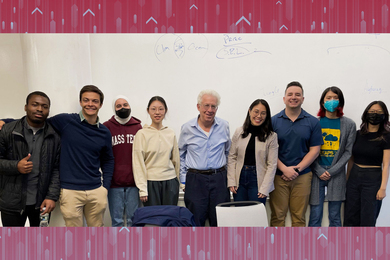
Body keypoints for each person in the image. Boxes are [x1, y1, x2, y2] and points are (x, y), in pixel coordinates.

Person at [0, 91, 60, 226]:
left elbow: (56, 169)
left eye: (45, 106)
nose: (40, 109)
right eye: (35, 104)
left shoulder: (54, 136)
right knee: (13, 243)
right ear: (26, 107)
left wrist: (51, 197)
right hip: (12, 202)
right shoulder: (8, 131)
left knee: (39, 244)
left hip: (41, 203)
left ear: (48, 111)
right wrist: (16, 166)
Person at [270, 81, 323, 227]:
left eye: (297, 94)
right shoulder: (273, 121)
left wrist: (296, 169)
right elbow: (269, 151)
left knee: (299, 217)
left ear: (303, 98)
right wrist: (284, 169)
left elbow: (315, 150)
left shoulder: (312, 122)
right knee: (277, 217)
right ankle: (274, 249)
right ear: (284, 98)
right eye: (290, 94)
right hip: (278, 176)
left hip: (303, 176)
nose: (294, 97)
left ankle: (297, 249)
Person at [178, 89, 231, 226]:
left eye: (213, 106)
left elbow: (228, 153)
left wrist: (229, 178)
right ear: (198, 107)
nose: (209, 110)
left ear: (217, 108)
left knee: (220, 221)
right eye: (206, 105)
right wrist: (184, 180)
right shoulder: (187, 128)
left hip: (219, 180)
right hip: (195, 181)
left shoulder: (224, 126)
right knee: (195, 222)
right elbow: (180, 155)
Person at [308, 87, 356, 227]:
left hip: (337, 173)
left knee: (335, 215)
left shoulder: (349, 124)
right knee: (315, 214)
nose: (332, 101)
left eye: (335, 97)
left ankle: (337, 247)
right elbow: (308, 150)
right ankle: (312, 247)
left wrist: (332, 170)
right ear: (322, 102)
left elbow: (348, 152)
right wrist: (319, 170)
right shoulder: (314, 123)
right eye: (328, 98)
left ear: (340, 101)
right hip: (317, 173)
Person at [344, 101, 390, 226]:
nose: (375, 114)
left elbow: (386, 165)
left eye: (379, 112)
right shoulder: (357, 134)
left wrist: (383, 188)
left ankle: (366, 245)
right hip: (354, 177)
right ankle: (348, 245)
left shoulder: (386, 136)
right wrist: (347, 182)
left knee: (368, 218)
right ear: (366, 114)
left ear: (385, 115)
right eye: (372, 111)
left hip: (373, 179)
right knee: (350, 216)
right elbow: (351, 160)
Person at [132, 96, 181, 206]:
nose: (157, 112)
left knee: (169, 218)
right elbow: (138, 163)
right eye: (153, 109)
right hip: (151, 183)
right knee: (154, 220)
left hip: (170, 182)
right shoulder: (141, 134)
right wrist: (142, 189)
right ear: (148, 111)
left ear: (165, 111)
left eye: (161, 109)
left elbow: (176, 161)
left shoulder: (170, 133)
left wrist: (180, 183)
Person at [227, 99, 278, 204]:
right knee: (240, 213)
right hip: (239, 179)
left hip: (258, 180)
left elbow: (272, 164)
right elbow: (232, 157)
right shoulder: (239, 132)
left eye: (263, 113)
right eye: (256, 111)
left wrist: (265, 188)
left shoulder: (271, 136)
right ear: (250, 111)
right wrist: (231, 181)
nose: (259, 116)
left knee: (255, 216)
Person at [103, 95, 142, 227]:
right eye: (118, 106)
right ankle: (117, 247)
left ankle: (133, 247)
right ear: (114, 109)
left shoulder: (138, 128)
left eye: (125, 105)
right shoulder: (106, 127)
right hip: (114, 183)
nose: (122, 108)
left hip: (134, 182)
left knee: (133, 221)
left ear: (130, 106)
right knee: (117, 221)